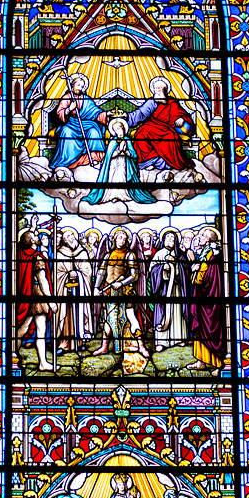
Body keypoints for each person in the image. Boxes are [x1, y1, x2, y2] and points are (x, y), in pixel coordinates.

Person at [94, 230, 149, 361]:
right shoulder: (108, 255)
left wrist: (122, 283)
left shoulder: (130, 254)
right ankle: (104, 346)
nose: (122, 240)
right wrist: (96, 287)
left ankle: (141, 346)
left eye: (124, 239)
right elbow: (101, 273)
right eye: (120, 238)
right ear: (115, 239)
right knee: (109, 319)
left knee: (131, 317)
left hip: (125, 292)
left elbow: (134, 275)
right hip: (109, 292)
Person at [126, 77, 196, 175]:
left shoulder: (172, 103)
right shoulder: (151, 102)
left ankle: (164, 162)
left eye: (159, 88)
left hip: (166, 129)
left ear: (165, 90)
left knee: (170, 138)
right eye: (155, 88)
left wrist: (181, 120)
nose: (157, 91)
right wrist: (126, 117)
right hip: (151, 126)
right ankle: (149, 161)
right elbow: (141, 114)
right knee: (140, 135)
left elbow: (181, 116)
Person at [83, 116, 156, 206]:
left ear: (124, 129)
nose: (120, 130)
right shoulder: (112, 142)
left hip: (124, 164)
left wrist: (126, 151)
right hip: (113, 166)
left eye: (121, 128)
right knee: (113, 179)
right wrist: (119, 150)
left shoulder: (128, 140)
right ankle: (112, 196)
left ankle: (124, 195)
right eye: (117, 129)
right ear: (114, 131)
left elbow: (134, 155)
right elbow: (108, 157)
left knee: (122, 177)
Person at [47, 74, 107, 172]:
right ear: (72, 85)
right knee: (66, 132)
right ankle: (67, 162)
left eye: (82, 86)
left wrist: (106, 115)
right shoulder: (67, 97)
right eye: (78, 85)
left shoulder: (87, 100)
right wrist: (69, 109)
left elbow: (96, 113)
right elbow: (60, 112)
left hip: (86, 125)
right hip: (71, 124)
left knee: (94, 131)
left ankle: (94, 159)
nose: (80, 88)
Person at [15, 228, 54, 372]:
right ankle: (42, 363)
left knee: (23, 329)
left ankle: (13, 356)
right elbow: (42, 280)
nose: (38, 237)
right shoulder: (37, 257)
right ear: (32, 241)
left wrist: (31, 227)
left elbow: (21, 243)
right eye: (35, 236)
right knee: (39, 330)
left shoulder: (22, 254)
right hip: (38, 295)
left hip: (27, 294)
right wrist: (51, 301)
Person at [150, 229, 193, 349]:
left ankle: (180, 338)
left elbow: (186, 269)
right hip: (163, 289)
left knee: (178, 312)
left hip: (177, 289)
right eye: (167, 238)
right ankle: (161, 342)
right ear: (163, 240)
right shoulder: (158, 254)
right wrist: (163, 268)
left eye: (172, 239)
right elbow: (152, 270)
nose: (169, 240)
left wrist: (176, 264)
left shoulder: (180, 254)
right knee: (163, 312)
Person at [191, 226, 226, 367]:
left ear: (208, 239)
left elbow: (206, 277)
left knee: (210, 329)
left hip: (209, 297)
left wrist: (197, 268)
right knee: (201, 330)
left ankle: (218, 364)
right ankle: (201, 361)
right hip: (203, 296)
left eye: (203, 236)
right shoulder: (206, 253)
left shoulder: (212, 254)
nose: (200, 237)